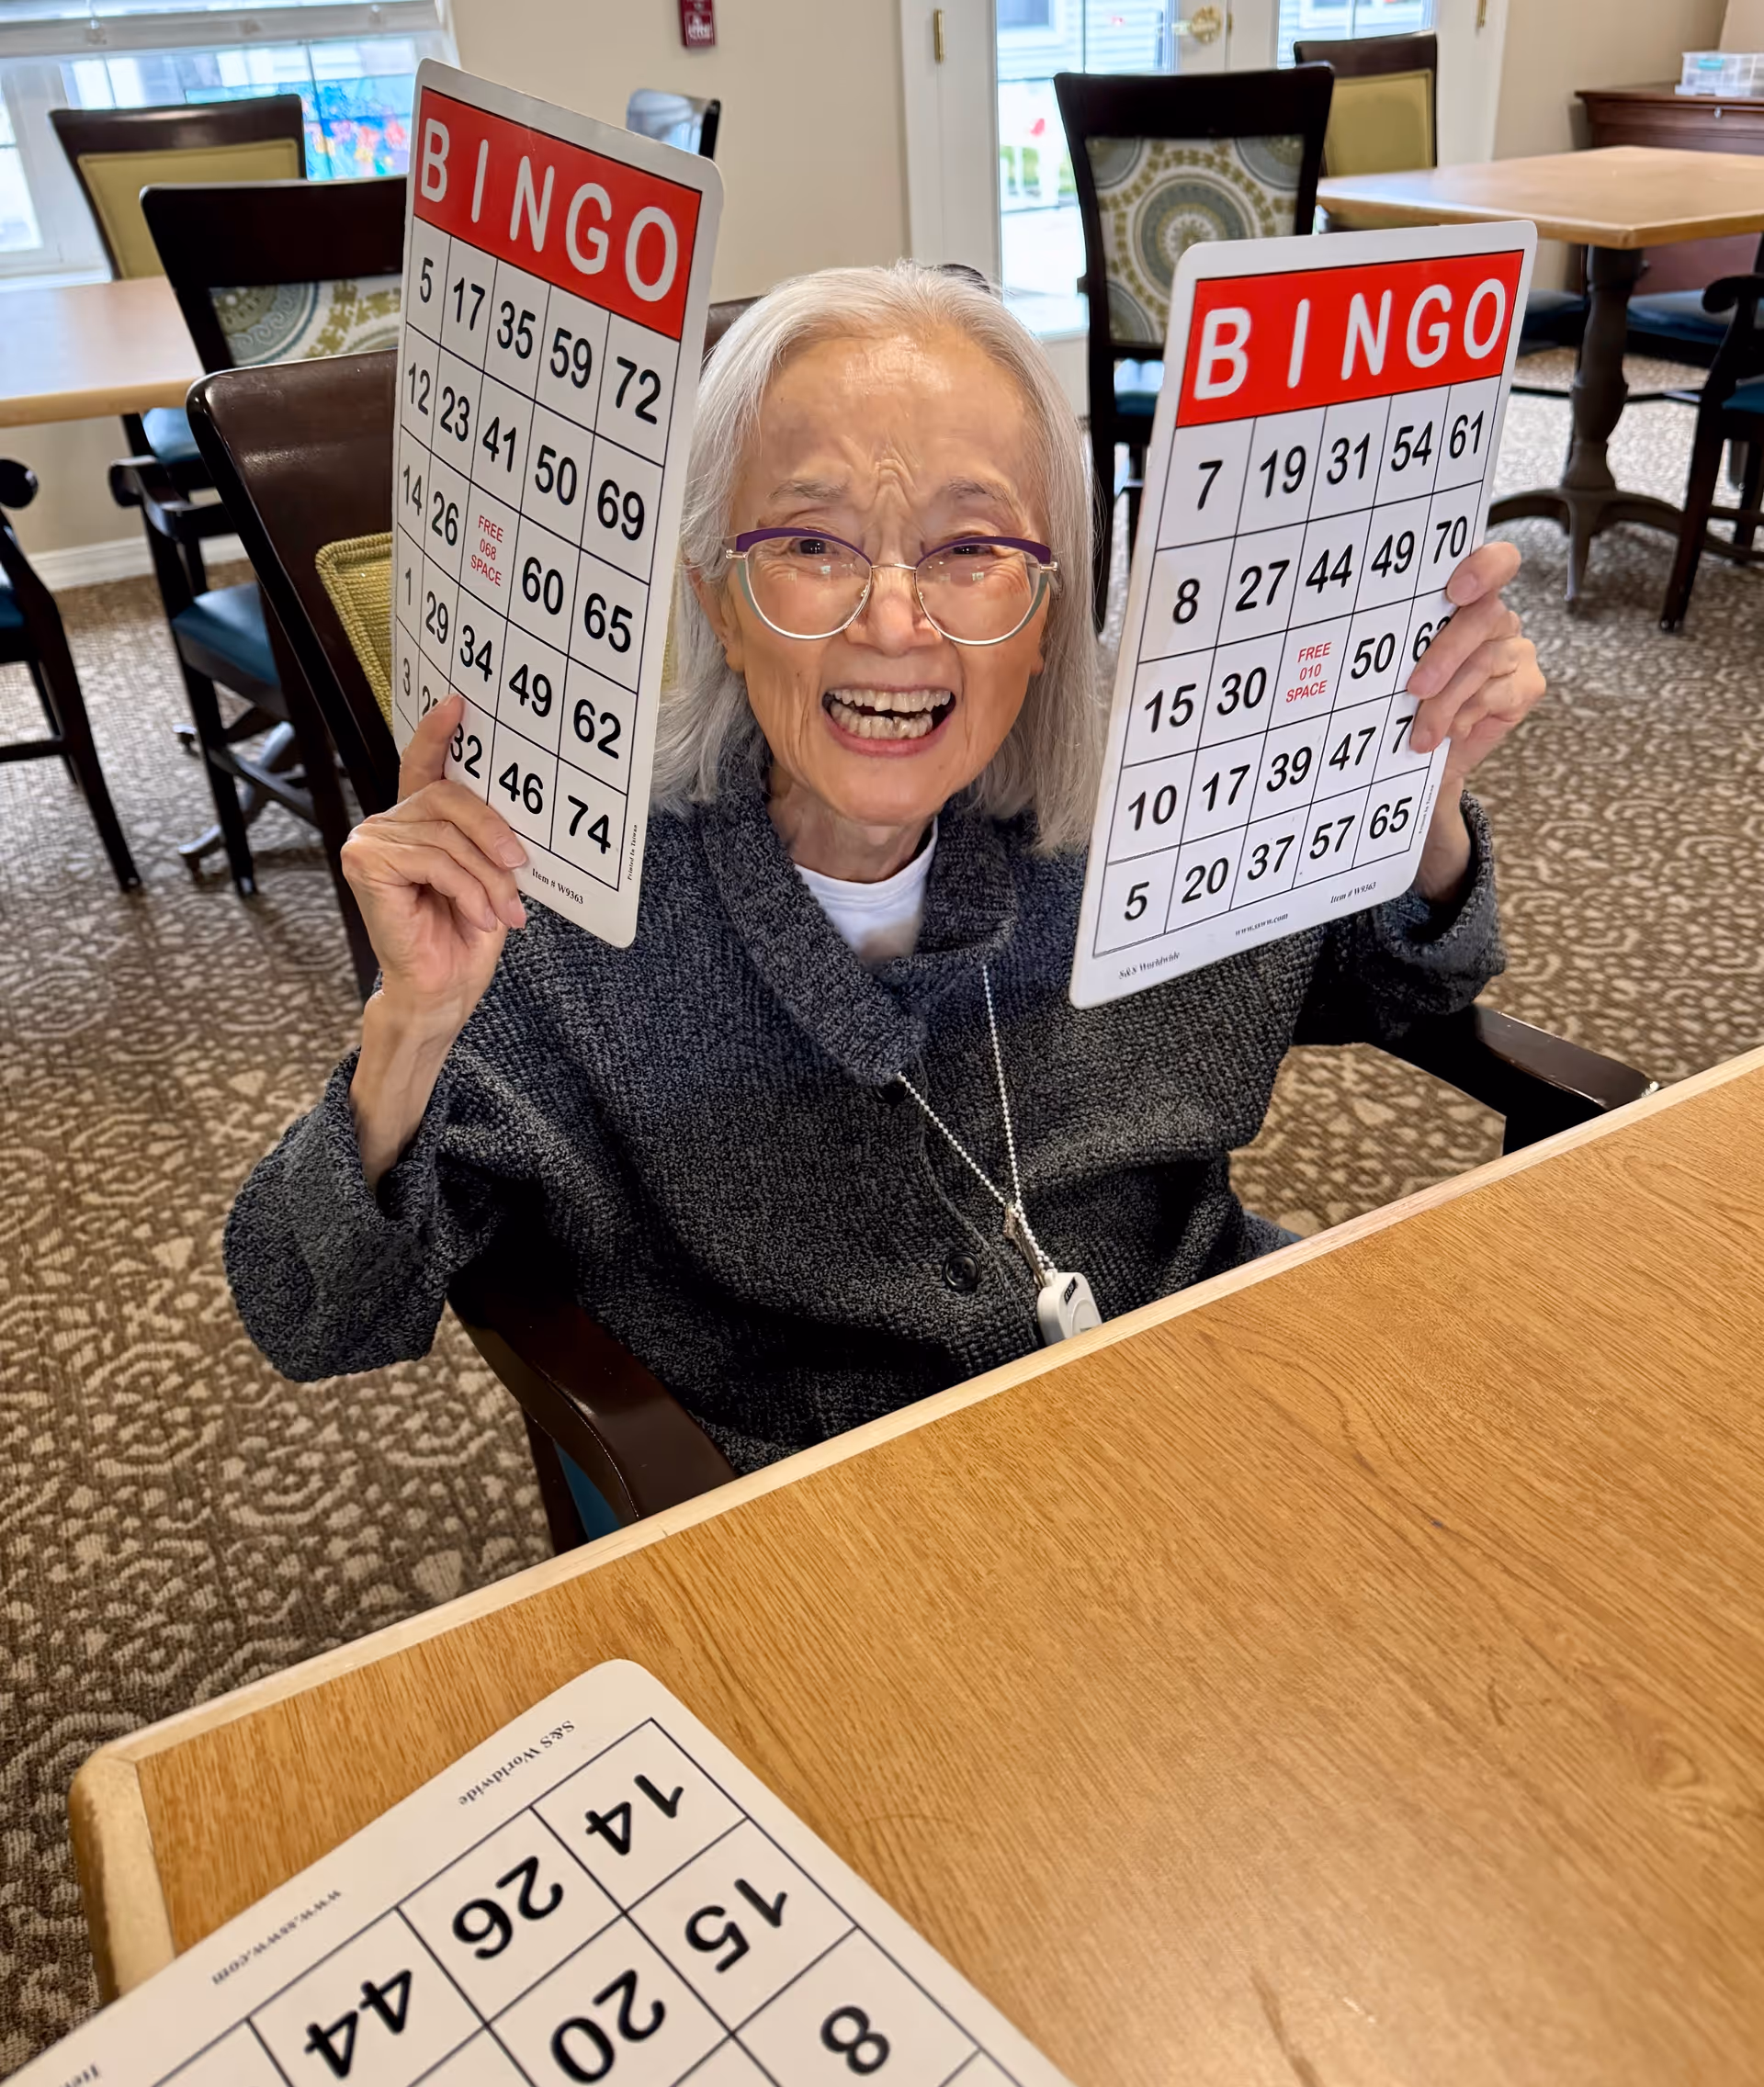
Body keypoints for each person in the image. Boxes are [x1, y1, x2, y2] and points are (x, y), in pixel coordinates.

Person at [226, 262, 1544, 1476]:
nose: (896, 621)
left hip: (1216, 1397)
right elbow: (310, 1308)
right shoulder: (566, 912)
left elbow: (1402, 987)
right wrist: (410, 1029)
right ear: (716, 608)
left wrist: (1419, 785)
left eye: (974, 549)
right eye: (812, 544)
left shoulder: (1136, 812)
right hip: (841, 1518)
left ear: (1048, 616)